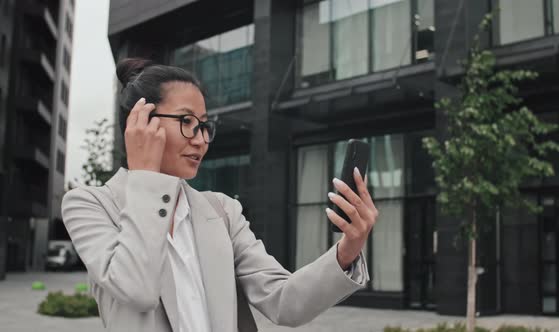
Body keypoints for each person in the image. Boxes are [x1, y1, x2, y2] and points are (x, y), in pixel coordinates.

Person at [61, 58, 379, 332]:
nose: (200, 140)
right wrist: (145, 176)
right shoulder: (90, 205)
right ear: (141, 123)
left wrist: (347, 250)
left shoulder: (222, 210)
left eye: (204, 125)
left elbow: (285, 301)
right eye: (186, 122)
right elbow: (138, 290)